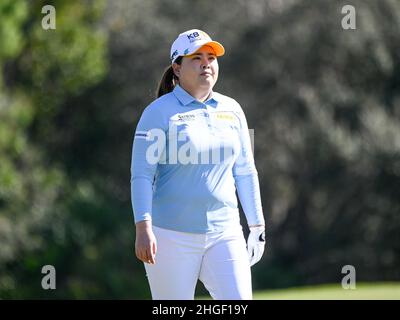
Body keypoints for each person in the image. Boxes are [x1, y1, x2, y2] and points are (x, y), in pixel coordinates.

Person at [130, 29, 266, 300]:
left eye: (211, 57)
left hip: (225, 232)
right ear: (176, 69)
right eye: (196, 58)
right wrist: (143, 227)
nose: (206, 63)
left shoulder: (233, 110)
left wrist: (257, 225)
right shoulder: (157, 113)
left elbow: (245, 171)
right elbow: (142, 174)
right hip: (170, 236)